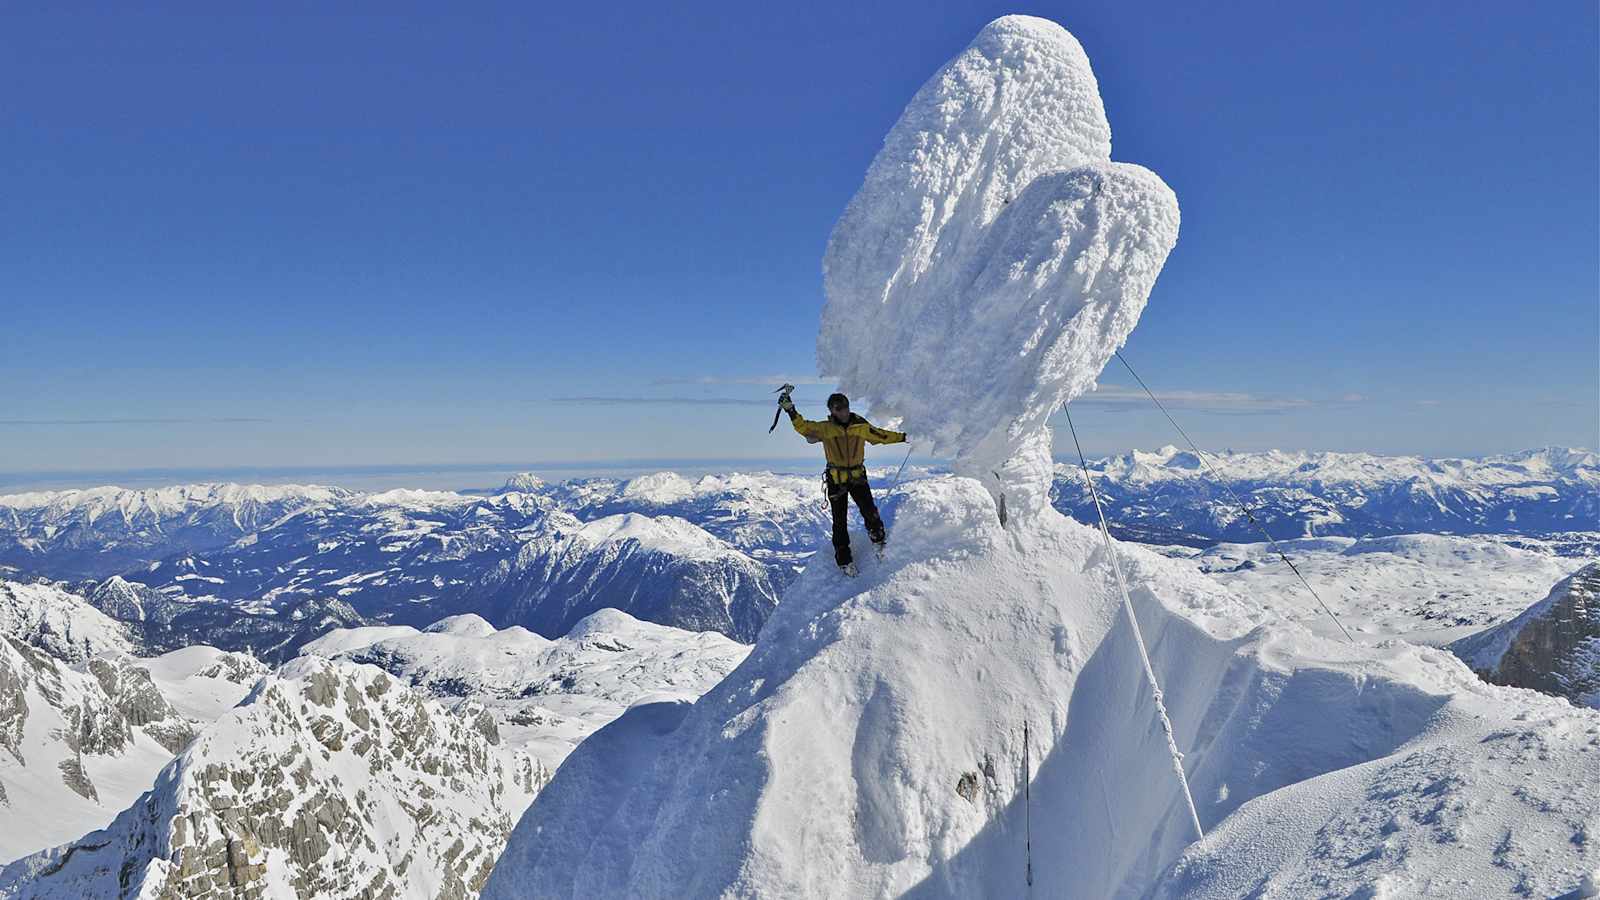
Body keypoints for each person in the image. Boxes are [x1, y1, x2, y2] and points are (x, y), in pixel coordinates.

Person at [780, 391, 906, 574]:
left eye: (845, 406)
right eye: (838, 408)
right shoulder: (826, 428)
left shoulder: (860, 426)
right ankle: (844, 560)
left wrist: (904, 437)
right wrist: (791, 410)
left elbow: (882, 436)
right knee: (839, 521)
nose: (843, 411)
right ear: (832, 410)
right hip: (836, 480)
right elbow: (803, 427)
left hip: (857, 477)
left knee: (870, 511)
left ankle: (879, 541)